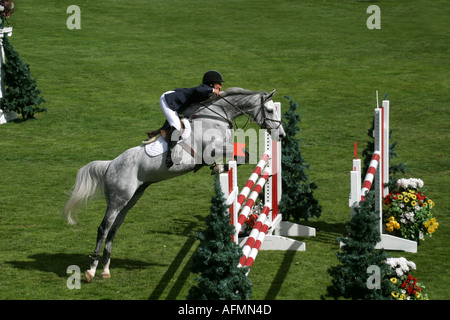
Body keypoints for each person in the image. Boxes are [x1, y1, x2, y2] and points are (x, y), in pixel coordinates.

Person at [155, 70, 225, 167]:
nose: (221, 86)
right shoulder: (205, 88)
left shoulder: (208, 91)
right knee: (176, 125)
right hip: (169, 100)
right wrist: (213, 90)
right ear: (212, 84)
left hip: (178, 102)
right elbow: (198, 90)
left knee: (176, 123)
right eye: (219, 84)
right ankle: (169, 156)